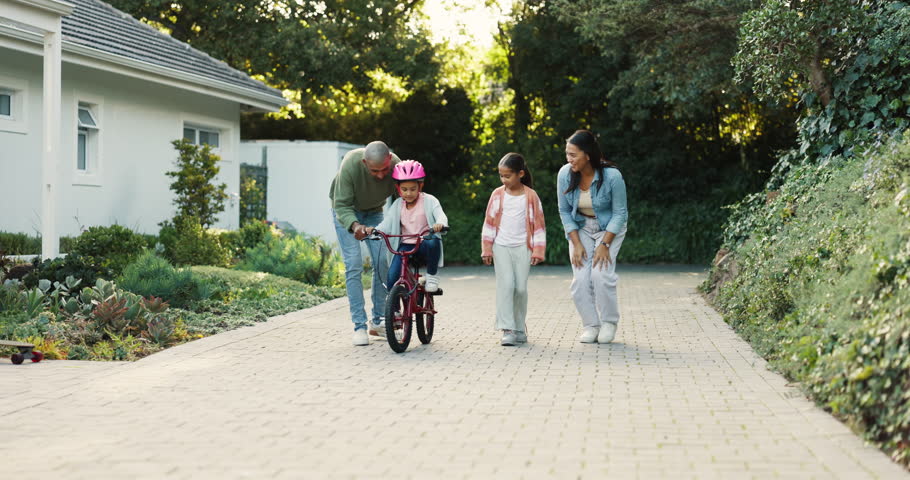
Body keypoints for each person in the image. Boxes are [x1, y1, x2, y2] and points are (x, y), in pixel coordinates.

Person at [556, 130, 628, 344]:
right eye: (567, 154)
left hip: (609, 228)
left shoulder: (612, 176)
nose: (569, 160)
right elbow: (563, 211)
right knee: (580, 279)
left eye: (573, 155)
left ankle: (609, 322)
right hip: (580, 228)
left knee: (600, 275)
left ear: (587, 154)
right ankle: (591, 325)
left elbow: (620, 213)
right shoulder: (564, 174)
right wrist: (576, 243)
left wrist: (605, 243)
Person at [330, 141, 400, 346]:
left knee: (382, 261)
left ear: (390, 159)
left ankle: (377, 321)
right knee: (354, 264)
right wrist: (354, 226)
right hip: (347, 211)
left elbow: (406, 196)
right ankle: (359, 326)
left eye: (384, 170)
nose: (380, 175)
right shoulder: (351, 164)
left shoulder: (397, 165)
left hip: (375, 213)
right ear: (364, 163)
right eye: (374, 171)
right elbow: (340, 204)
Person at [481, 153, 547, 346]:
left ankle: (519, 327)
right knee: (506, 285)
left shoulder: (530, 196)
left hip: (523, 248)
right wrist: (487, 249)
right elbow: (489, 223)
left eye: (507, 176)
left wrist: (537, 250)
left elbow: (539, 225)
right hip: (501, 246)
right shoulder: (497, 195)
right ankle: (507, 328)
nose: (504, 180)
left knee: (520, 289)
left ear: (520, 174)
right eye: (501, 176)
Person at [368, 160, 448, 306]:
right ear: (398, 188)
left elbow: (441, 215)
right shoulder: (398, 204)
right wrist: (376, 231)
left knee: (433, 240)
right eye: (404, 189)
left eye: (413, 189)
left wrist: (440, 224)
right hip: (405, 247)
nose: (408, 193)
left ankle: (431, 276)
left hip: (423, 244)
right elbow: (387, 222)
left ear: (420, 186)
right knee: (392, 278)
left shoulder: (429, 201)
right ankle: (395, 311)